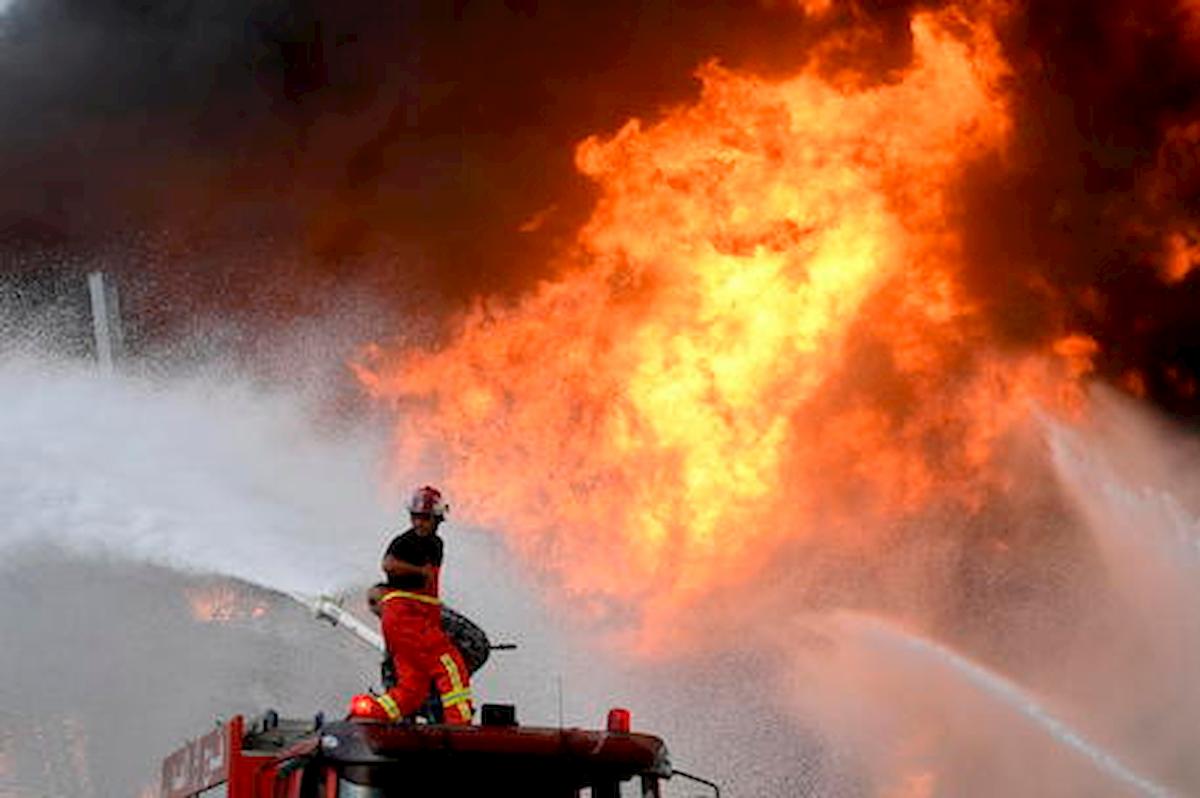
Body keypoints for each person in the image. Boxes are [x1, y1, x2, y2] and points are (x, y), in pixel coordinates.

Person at [350, 485, 474, 724]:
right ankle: (459, 725)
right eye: (415, 517)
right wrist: (418, 571)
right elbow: (388, 564)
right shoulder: (405, 542)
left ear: (437, 518)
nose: (419, 523)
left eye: (424, 518)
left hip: (410, 619)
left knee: (413, 689)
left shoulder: (434, 543)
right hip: (409, 617)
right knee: (449, 665)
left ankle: (372, 712)